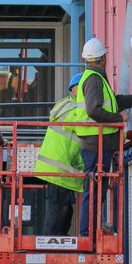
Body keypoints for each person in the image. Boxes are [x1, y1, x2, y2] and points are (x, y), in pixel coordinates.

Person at [75, 37, 132, 234]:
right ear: (103, 58)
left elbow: (115, 102)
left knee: (97, 189)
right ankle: (87, 232)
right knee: (94, 189)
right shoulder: (94, 79)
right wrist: (119, 118)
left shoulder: (95, 77)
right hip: (96, 143)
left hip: (98, 143)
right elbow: (94, 110)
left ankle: (90, 230)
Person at [32, 73, 88, 236]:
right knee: (59, 211)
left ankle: (56, 242)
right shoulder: (74, 110)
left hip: (59, 168)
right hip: (59, 168)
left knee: (64, 211)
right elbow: (91, 129)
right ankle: (51, 245)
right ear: (75, 90)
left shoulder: (68, 107)